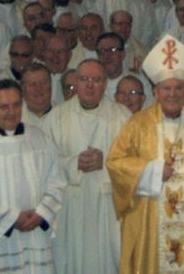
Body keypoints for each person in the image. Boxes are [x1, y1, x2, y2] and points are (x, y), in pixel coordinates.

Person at [106, 34, 184, 274]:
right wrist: (152, 171)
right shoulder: (138, 124)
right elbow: (115, 163)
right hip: (152, 223)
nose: (173, 94)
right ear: (155, 91)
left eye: (178, 88)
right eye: (166, 88)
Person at [0, 79, 66, 274]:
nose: (11, 112)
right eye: (3, 106)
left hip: (35, 236)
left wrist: (42, 213)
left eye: (16, 104)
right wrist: (12, 219)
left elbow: (56, 182)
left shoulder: (39, 138)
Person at [41, 58, 130, 274]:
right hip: (70, 208)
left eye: (96, 80)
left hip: (108, 207)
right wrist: (74, 163)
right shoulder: (56, 117)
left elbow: (134, 164)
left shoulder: (123, 117)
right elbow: (43, 164)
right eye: (84, 79)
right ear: (76, 82)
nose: (90, 85)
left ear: (106, 83)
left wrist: (106, 162)